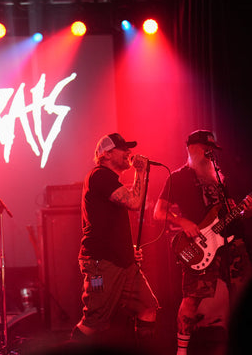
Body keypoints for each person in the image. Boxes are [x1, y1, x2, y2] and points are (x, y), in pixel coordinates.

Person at [153, 130, 252, 355]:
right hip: (201, 246)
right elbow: (158, 212)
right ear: (191, 149)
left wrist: (248, 212)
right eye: (206, 149)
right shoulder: (178, 178)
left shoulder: (220, 177)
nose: (210, 154)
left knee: (244, 295)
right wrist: (183, 221)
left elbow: (232, 210)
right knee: (192, 300)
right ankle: (181, 351)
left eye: (213, 150)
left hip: (232, 241)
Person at [72, 133, 159, 349]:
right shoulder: (100, 176)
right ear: (107, 154)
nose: (129, 153)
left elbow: (108, 224)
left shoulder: (108, 180)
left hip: (123, 262)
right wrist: (140, 171)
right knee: (94, 322)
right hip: (101, 264)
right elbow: (134, 202)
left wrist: (127, 249)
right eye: (123, 149)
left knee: (147, 307)